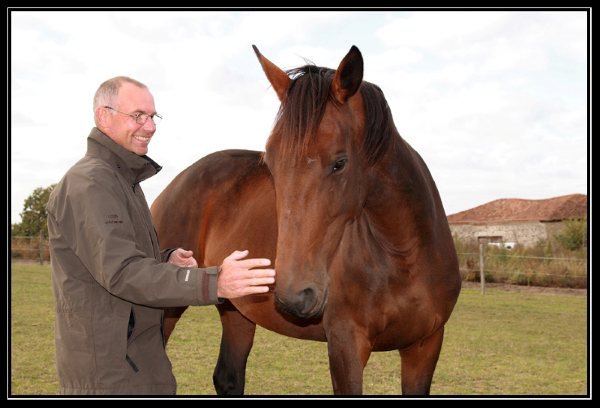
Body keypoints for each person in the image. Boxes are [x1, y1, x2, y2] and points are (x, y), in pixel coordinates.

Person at [46, 76, 276, 395]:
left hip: (135, 360)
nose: (150, 126)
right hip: (109, 373)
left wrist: (165, 259)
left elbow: (117, 256)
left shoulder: (122, 180)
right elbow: (122, 272)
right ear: (103, 116)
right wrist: (215, 282)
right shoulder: (91, 184)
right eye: (137, 115)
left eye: (153, 116)